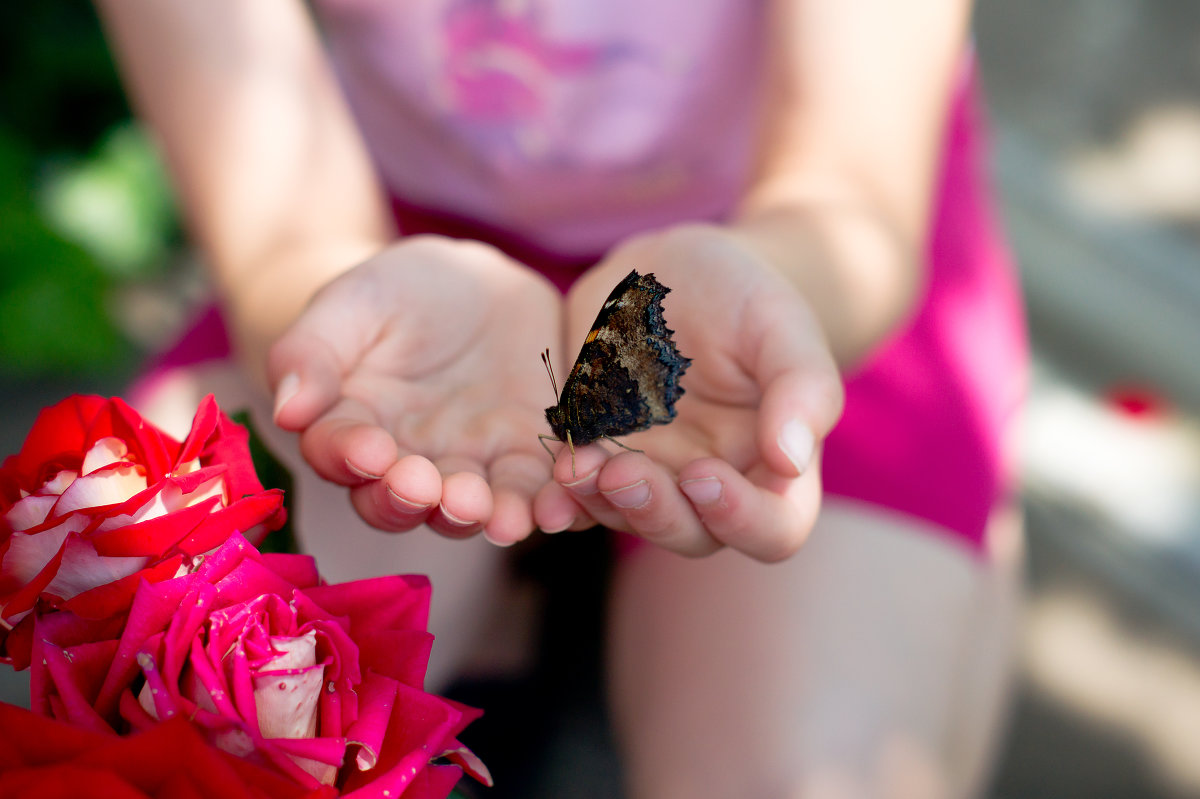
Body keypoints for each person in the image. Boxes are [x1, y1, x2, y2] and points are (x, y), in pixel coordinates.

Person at [98, 0, 1027, 796]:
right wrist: (314, 294)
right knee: (176, 686)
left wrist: (782, 283)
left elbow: (851, 193)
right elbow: (281, 227)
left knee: (812, 765)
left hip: (778, 252)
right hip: (374, 231)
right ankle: (525, 597)